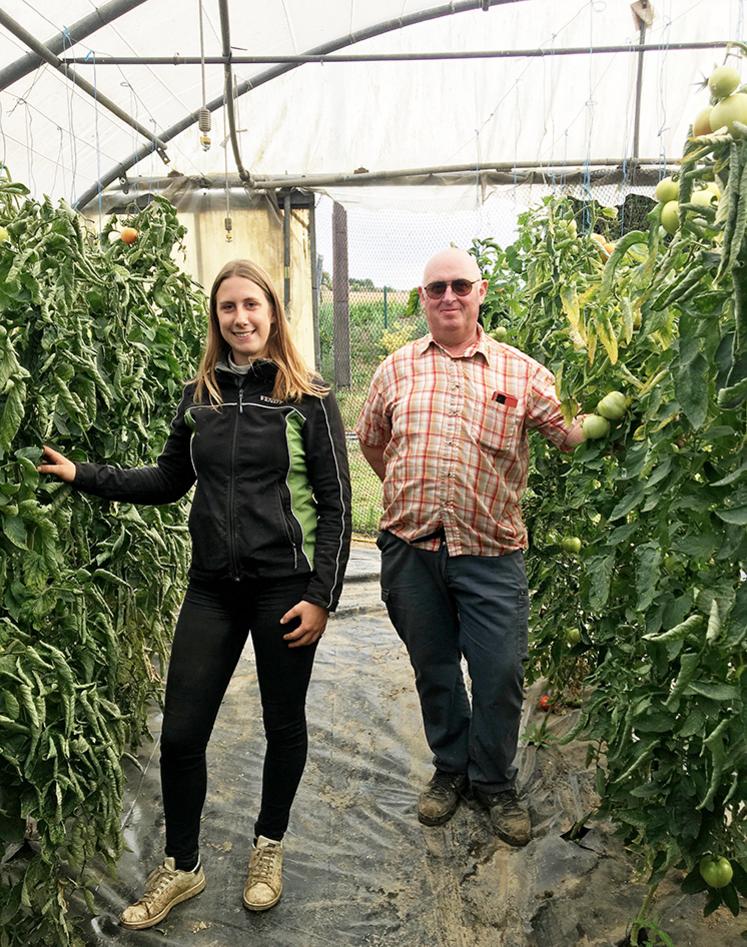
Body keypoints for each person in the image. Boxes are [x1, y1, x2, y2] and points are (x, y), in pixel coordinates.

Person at [39, 259, 351, 927]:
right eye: (226, 307)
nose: (239, 317)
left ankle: (268, 844)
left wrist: (321, 594)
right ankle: (181, 866)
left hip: (283, 588)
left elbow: (337, 506)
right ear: (215, 319)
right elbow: (166, 479)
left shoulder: (308, 398)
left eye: (250, 304)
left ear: (272, 311)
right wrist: (84, 472)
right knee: (181, 734)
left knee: (282, 723)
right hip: (212, 586)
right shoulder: (198, 396)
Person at [356, 247, 586, 847]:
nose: (449, 297)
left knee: (500, 672)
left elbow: (569, 435)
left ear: (481, 291)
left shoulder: (522, 372)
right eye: (437, 288)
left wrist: (626, 398)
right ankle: (450, 770)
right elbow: (374, 444)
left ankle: (494, 781)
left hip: (491, 552)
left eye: (460, 285)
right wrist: (418, 495)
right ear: (422, 298)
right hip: (411, 549)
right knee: (433, 668)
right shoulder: (396, 370)